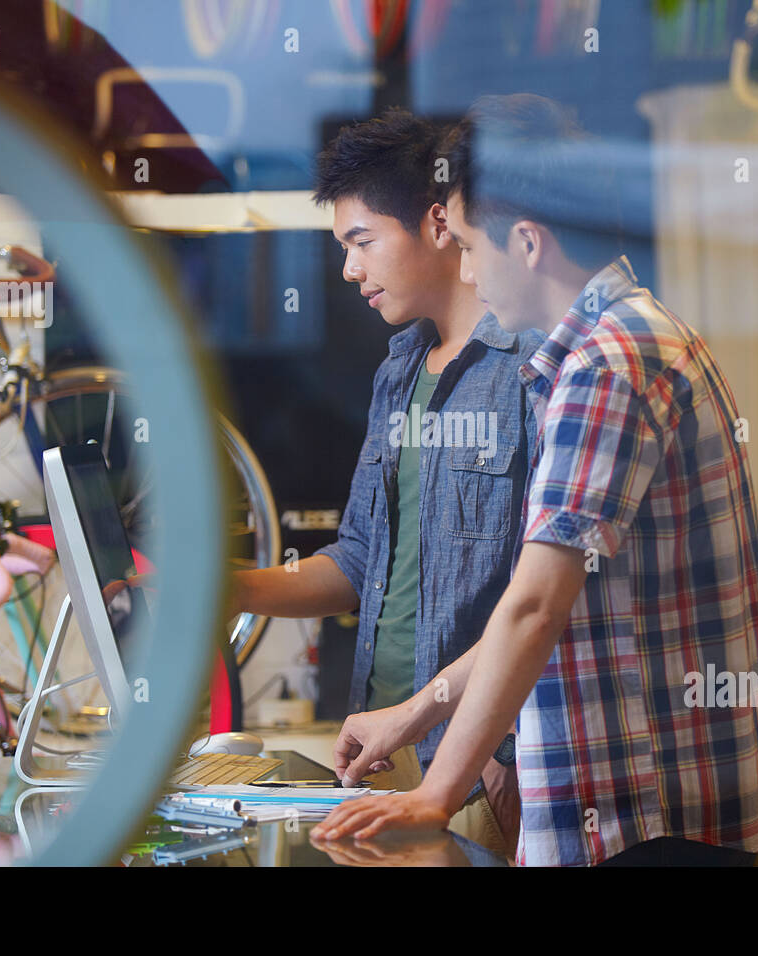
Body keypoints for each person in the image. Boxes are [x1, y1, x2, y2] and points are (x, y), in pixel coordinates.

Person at [311, 94, 758, 866]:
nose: (466, 268)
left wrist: (436, 794)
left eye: (470, 246)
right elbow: (546, 605)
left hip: (652, 817)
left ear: (529, 244)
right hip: (656, 808)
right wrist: (414, 712)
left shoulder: (607, 365)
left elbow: (534, 605)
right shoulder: (623, 342)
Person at [231, 107, 540, 859]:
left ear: (439, 225)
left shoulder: (531, 368)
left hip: (487, 765)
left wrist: (502, 758)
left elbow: (549, 597)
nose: (349, 270)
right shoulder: (398, 370)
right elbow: (363, 558)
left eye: (361, 242)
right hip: (385, 746)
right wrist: (234, 587)